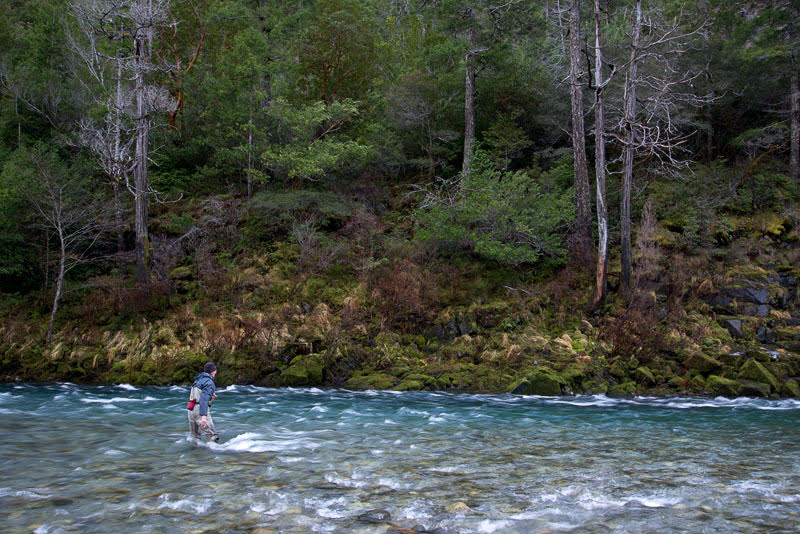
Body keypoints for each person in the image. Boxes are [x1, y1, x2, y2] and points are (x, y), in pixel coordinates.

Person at [187, 361, 219, 442]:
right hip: (200, 411)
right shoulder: (209, 383)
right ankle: (216, 453)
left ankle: (194, 453)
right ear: (213, 372)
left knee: (195, 438)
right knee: (213, 436)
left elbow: (196, 396)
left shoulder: (197, 380)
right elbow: (203, 400)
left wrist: (210, 397)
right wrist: (204, 417)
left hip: (191, 410)